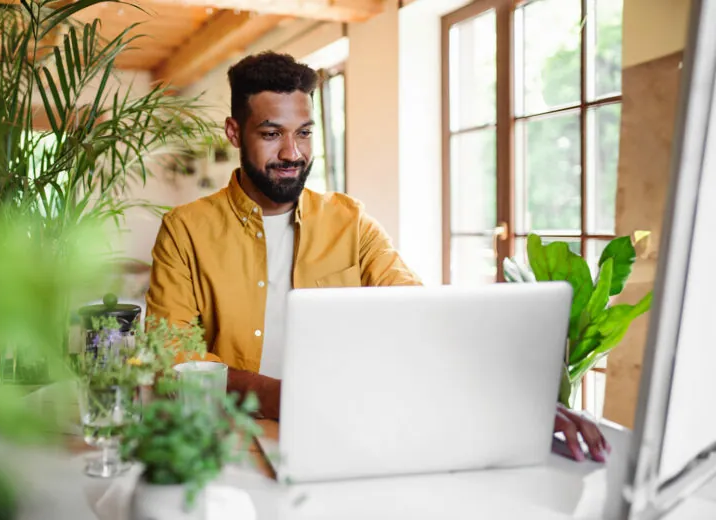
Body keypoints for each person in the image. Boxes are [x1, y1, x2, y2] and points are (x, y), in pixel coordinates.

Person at [146, 51, 610, 463]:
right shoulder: (185, 230)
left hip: (351, 441)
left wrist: (514, 398)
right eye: (272, 134)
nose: (292, 153)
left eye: (304, 134)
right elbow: (174, 360)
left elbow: (419, 317)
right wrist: (288, 399)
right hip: (229, 447)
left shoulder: (351, 221)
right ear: (234, 131)